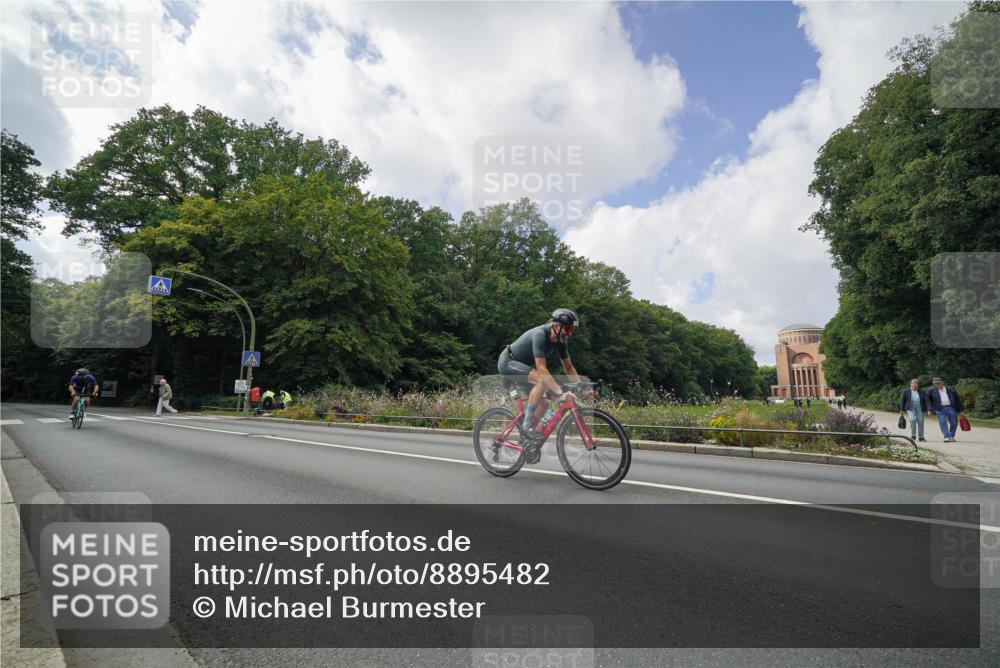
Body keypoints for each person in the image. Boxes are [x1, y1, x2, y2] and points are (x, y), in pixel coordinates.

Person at [497, 308, 591, 462]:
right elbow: (541, 368)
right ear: (556, 326)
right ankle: (527, 426)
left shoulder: (561, 342)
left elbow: (569, 368)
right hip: (508, 362)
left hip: (525, 369)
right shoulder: (540, 334)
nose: (570, 333)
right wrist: (561, 393)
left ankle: (528, 441)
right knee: (541, 380)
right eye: (568, 329)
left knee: (545, 402)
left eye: (572, 330)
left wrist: (582, 388)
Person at [928, 377, 964, 442]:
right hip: (940, 409)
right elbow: (928, 401)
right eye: (935, 384)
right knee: (942, 422)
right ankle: (946, 436)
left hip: (951, 407)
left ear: (942, 382)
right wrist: (929, 409)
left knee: (954, 423)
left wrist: (961, 410)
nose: (937, 385)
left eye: (938, 383)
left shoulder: (951, 390)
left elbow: (957, 400)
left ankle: (951, 436)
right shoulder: (931, 391)